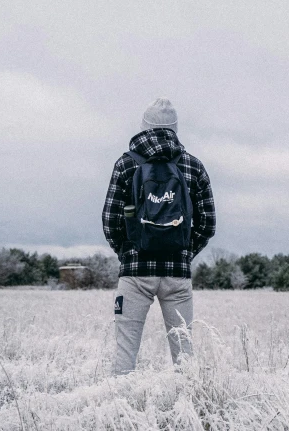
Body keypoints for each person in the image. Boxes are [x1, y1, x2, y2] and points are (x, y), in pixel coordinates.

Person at [102, 98, 216, 375]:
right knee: (184, 352)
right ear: (175, 129)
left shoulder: (125, 164)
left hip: (135, 272)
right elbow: (208, 224)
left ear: (144, 127)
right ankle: (188, 408)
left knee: (125, 351)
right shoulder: (193, 166)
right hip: (177, 273)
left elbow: (110, 221)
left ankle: (118, 410)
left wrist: (129, 252)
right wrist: (185, 251)